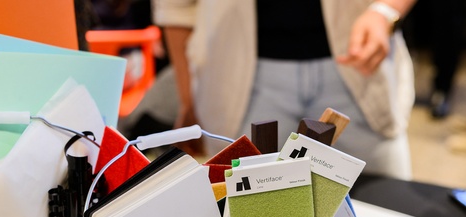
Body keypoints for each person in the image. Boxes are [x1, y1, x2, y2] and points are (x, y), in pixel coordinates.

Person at [153, 0, 418, 180]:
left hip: (358, 68)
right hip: (236, 79)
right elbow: (177, 8)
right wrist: (188, 99)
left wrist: (385, 10)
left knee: (385, 202)